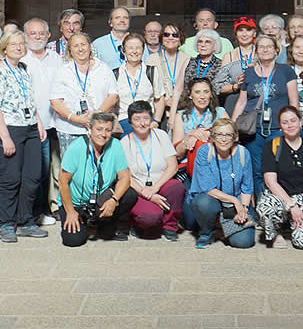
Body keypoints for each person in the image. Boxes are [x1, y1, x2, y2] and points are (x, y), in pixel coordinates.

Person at [0, 28, 48, 243]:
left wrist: (38, 124)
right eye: (13, 44)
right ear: (4, 48)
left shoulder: (23, 69)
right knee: (11, 178)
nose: (19, 47)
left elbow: (30, 100)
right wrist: (5, 138)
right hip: (7, 129)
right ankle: (6, 223)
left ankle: (26, 220)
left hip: (29, 127)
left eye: (22, 43)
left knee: (32, 177)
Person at [231, 31, 298, 194]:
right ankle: (261, 209)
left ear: (276, 50)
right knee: (256, 171)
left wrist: (293, 126)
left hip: (279, 129)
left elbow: (294, 101)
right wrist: (232, 128)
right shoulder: (249, 73)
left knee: (280, 170)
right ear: (256, 51)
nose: (265, 50)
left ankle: (282, 208)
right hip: (254, 131)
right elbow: (242, 101)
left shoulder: (286, 70)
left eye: (269, 47)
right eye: (261, 47)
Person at [57, 111, 135, 246]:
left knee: (130, 194)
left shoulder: (115, 145)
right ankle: (84, 220)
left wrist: (113, 200)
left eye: (108, 130)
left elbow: (125, 178)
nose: (103, 134)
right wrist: (70, 212)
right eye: (98, 129)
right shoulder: (76, 148)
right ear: (90, 129)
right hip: (76, 203)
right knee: (73, 241)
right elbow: (63, 182)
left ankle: (104, 224)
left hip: (101, 200)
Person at [255, 104, 303, 248]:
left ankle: (294, 226)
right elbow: (270, 182)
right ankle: (276, 233)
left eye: (293, 120)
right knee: (265, 207)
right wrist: (292, 206)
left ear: (300, 122)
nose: (290, 125)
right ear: (280, 126)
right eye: (285, 122)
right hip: (282, 198)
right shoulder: (272, 146)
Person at [185, 117, 255, 248]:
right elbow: (208, 188)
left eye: (228, 135)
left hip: (236, 205)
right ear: (212, 137)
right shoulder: (204, 152)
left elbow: (247, 187)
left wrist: (243, 209)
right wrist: (235, 201)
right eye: (219, 134)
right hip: (211, 200)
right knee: (203, 202)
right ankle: (207, 232)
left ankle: (225, 226)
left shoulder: (243, 153)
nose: (223, 139)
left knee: (244, 242)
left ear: (235, 138)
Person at [121, 100, 186, 240]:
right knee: (150, 218)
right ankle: (138, 222)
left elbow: (173, 166)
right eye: (137, 119)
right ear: (130, 123)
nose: (142, 123)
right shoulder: (124, 143)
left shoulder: (160, 135)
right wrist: (146, 193)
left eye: (146, 118)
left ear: (151, 119)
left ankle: (170, 226)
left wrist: (155, 188)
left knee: (177, 188)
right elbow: (125, 176)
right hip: (139, 189)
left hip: (160, 184)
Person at [21, 16, 65, 223]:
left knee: (54, 168)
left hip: (58, 120)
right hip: (34, 124)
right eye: (32, 33)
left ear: (48, 36)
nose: (37, 37)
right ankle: (35, 212)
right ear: (25, 36)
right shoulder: (21, 59)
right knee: (37, 169)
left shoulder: (57, 59)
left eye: (41, 33)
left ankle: (49, 208)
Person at [50, 30, 118, 161]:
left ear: (90, 47)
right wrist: (76, 118)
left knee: (98, 167)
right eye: (75, 46)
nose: (80, 49)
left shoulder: (103, 68)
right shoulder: (63, 71)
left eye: (83, 44)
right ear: (70, 50)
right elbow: (55, 101)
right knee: (71, 170)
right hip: (69, 130)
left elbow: (113, 95)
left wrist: (97, 115)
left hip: (99, 128)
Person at [171, 77, 226, 176]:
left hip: (216, 165)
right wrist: (189, 137)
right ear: (190, 95)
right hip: (188, 167)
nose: (202, 96)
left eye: (206, 92)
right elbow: (177, 154)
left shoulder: (221, 113)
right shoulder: (181, 116)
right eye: (197, 92)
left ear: (211, 95)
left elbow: (233, 137)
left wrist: (209, 133)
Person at [114, 31, 155, 129]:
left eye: (138, 48)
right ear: (124, 51)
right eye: (130, 48)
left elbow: (159, 99)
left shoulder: (152, 71)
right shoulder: (115, 74)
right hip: (124, 121)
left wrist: (156, 122)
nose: (134, 51)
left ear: (143, 50)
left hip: (147, 121)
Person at [215, 15, 257, 109]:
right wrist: (235, 86)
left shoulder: (262, 53)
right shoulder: (228, 56)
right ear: (236, 34)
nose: (244, 34)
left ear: (254, 33)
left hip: (258, 99)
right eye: (240, 30)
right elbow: (218, 87)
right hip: (234, 100)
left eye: (248, 30)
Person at [152, 22, 189, 128]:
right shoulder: (152, 59)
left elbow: (190, 87)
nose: (170, 38)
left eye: (175, 35)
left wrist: (178, 101)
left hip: (183, 111)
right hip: (159, 113)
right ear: (161, 38)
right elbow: (149, 87)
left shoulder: (188, 59)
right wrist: (164, 101)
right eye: (166, 34)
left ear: (180, 38)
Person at [177, 29, 225, 100]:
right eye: (200, 42)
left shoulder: (221, 65)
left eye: (207, 42)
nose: (203, 45)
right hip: (188, 106)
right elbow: (178, 89)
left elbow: (221, 90)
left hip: (211, 107)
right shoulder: (188, 62)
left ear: (215, 46)